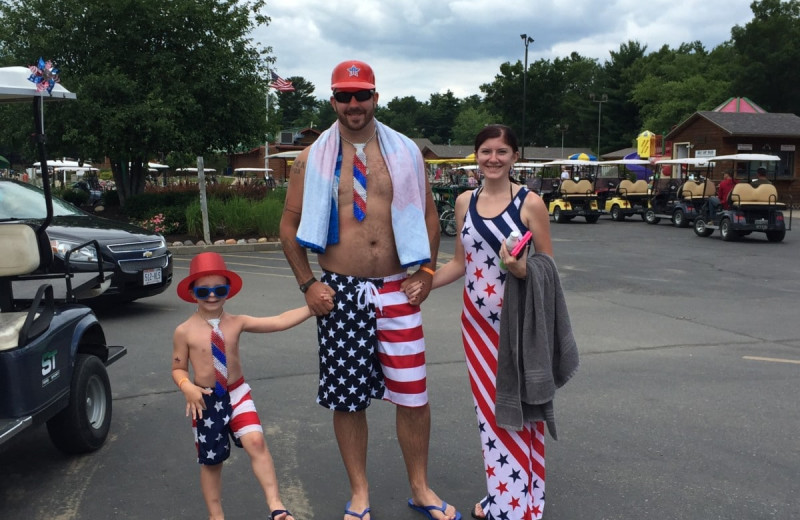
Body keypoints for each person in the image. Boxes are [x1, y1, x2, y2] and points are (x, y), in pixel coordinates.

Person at [279, 60, 457, 520]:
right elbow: (289, 225)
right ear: (332, 100)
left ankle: (420, 488)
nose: (354, 104)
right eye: (344, 96)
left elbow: (430, 218)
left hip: (400, 288)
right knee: (347, 397)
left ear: (376, 97)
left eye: (362, 95)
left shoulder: (406, 152)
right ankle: (360, 492)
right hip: (338, 292)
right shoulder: (309, 158)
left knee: (413, 395)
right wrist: (307, 284)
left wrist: (429, 272)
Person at [416, 124, 565, 520]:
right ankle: (509, 496)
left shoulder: (530, 204)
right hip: (476, 327)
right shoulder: (465, 201)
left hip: (517, 328)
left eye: (502, 151)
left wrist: (520, 271)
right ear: (476, 156)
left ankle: (516, 504)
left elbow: (547, 268)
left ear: (516, 156)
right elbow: (460, 264)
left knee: (517, 411)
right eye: (485, 151)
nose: (493, 159)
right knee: (490, 414)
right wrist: (422, 284)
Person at [172, 252, 316, 520]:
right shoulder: (185, 330)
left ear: (228, 291)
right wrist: (185, 385)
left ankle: (276, 506)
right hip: (205, 400)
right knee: (212, 462)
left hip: (237, 393)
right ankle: (216, 515)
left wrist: (312, 308)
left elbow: (279, 320)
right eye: (204, 291)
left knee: (257, 441)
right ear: (192, 293)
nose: (212, 296)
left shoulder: (236, 323)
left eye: (219, 289)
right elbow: (178, 367)